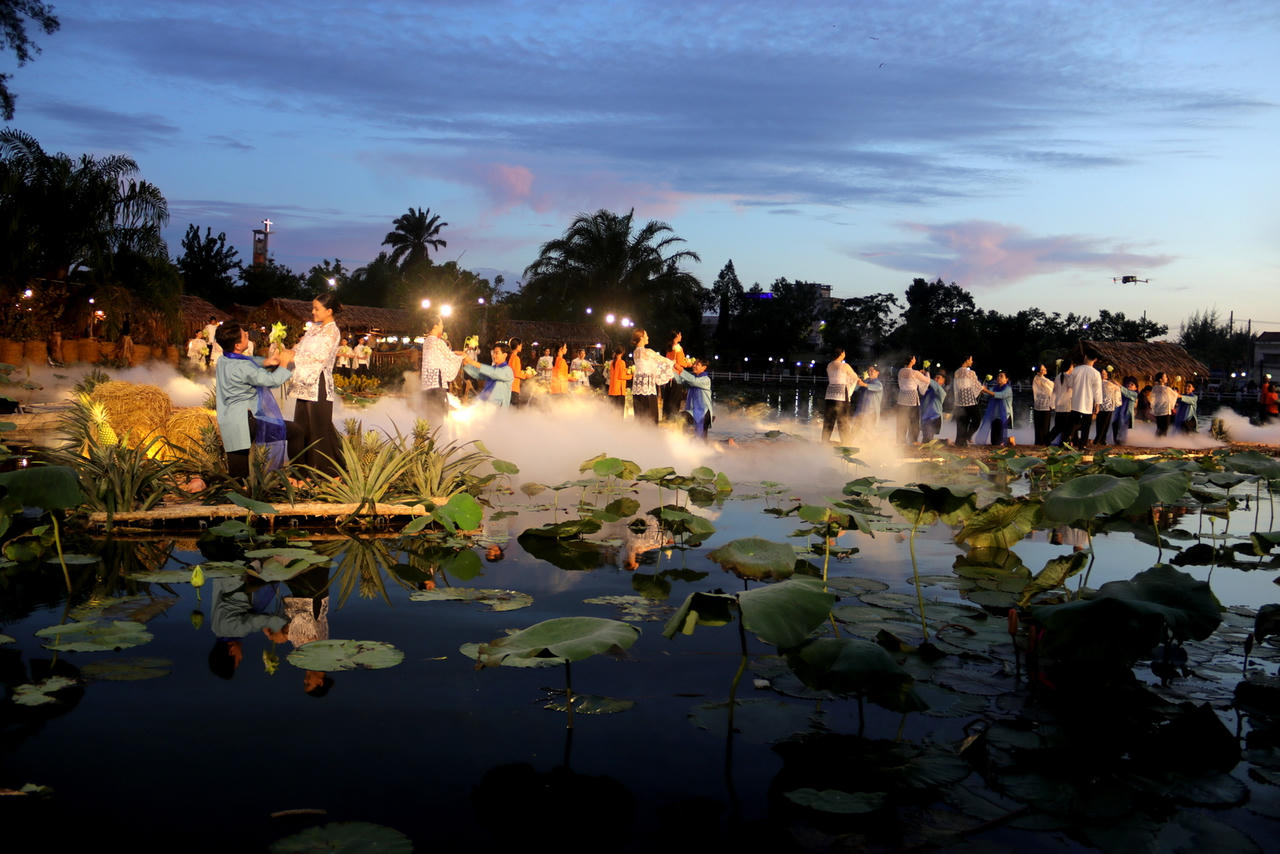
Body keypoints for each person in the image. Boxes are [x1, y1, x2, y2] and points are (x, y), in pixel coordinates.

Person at [214, 321, 294, 479]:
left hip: (229, 420)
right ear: (238, 345)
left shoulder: (223, 360)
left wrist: (266, 361)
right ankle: (299, 477)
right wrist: (284, 362)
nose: (247, 335)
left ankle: (206, 482)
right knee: (296, 432)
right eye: (244, 335)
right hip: (246, 421)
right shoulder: (243, 367)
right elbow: (272, 381)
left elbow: (247, 362)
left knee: (238, 477)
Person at [287, 293, 343, 476]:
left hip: (318, 383)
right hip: (304, 382)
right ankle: (301, 470)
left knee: (317, 428)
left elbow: (319, 358)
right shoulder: (313, 329)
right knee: (301, 425)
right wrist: (287, 353)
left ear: (329, 311)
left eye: (317, 309)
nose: (313, 312)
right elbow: (299, 348)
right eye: (313, 308)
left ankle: (322, 473)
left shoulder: (332, 331)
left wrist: (293, 358)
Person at [420, 313, 464, 426]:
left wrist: (453, 354)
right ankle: (438, 439)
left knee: (429, 414)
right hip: (436, 383)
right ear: (435, 326)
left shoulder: (427, 341)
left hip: (427, 384)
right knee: (439, 414)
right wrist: (463, 356)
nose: (442, 327)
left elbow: (441, 355)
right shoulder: (438, 342)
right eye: (441, 324)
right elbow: (449, 357)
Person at [630, 328, 673, 424]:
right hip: (647, 389)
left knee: (640, 418)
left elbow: (649, 366)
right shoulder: (647, 352)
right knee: (651, 418)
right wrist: (674, 363)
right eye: (646, 335)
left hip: (637, 389)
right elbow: (664, 361)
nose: (648, 337)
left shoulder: (635, 352)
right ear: (641, 337)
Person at [462, 341, 515, 407]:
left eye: (496, 353)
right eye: (493, 353)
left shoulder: (507, 370)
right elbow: (478, 374)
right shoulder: (493, 369)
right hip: (485, 406)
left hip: (497, 409)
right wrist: (466, 364)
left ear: (505, 355)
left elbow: (493, 372)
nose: (493, 355)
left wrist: (471, 362)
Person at [1068, 350, 1103, 446]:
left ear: (1085, 357)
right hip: (1088, 402)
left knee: (1073, 423)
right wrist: (1098, 404)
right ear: (1095, 360)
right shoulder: (1096, 373)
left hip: (1075, 401)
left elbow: (1069, 385)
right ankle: (1082, 445)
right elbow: (1098, 391)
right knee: (1086, 425)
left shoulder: (1076, 370)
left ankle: (1070, 441)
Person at [822, 349, 857, 443]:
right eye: (844, 352)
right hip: (840, 394)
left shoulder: (829, 365)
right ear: (841, 354)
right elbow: (854, 378)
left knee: (829, 419)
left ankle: (824, 441)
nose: (845, 354)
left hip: (830, 394)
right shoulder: (845, 366)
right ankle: (846, 442)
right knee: (842, 420)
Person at [673, 358, 713, 439]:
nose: (694, 366)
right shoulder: (693, 378)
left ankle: (683, 440)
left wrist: (681, 370)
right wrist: (674, 371)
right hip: (694, 411)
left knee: (681, 417)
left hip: (703, 412)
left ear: (704, 367)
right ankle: (728, 442)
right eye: (694, 364)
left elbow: (693, 381)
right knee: (702, 442)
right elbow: (680, 381)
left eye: (697, 365)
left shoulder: (706, 379)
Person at [896, 356, 930, 443]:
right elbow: (927, 381)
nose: (915, 360)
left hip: (902, 399)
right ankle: (913, 440)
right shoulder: (914, 373)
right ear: (911, 361)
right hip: (912, 400)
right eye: (914, 358)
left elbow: (908, 378)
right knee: (914, 421)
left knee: (901, 421)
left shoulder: (900, 371)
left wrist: (919, 373)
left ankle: (900, 441)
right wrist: (927, 373)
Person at [951, 356, 982, 447]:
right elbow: (977, 386)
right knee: (977, 419)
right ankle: (967, 436)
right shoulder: (970, 372)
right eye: (971, 359)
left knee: (962, 422)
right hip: (969, 400)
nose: (972, 361)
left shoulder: (956, 372)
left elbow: (956, 388)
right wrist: (983, 388)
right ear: (967, 360)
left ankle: (960, 442)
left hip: (959, 400)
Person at [662, 331, 690, 422]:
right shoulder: (678, 348)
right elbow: (681, 362)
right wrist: (688, 363)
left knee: (668, 398)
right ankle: (672, 419)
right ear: (676, 336)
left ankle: (666, 417)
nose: (681, 336)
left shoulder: (669, 348)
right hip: (676, 376)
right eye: (680, 334)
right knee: (675, 399)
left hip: (669, 376)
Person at [1046, 360, 1075, 446]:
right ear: (1069, 367)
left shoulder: (1058, 376)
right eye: (1073, 366)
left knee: (1058, 427)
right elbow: (1073, 387)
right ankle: (1063, 443)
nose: (1073, 368)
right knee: (1067, 427)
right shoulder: (1068, 377)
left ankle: (1048, 440)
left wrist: (1052, 404)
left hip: (1059, 406)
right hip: (1067, 406)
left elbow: (1054, 392)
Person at [980, 371, 1013, 446]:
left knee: (998, 443)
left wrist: (986, 390)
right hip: (994, 416)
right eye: (998, 376)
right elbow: (986, 394)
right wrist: (982, 391)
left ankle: (1008, 439)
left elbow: (1000, 395)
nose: (999, 378)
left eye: (1001, 376)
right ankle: (1009, 439)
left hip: (1003, 417)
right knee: (994, 442)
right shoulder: (994, 388)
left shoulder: (1008, 389)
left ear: (1006, 379)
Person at [852, 365, 883, 432]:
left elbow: (878, 387)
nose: (870, 372)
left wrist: (863, 384)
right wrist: (857, 382)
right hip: (861, 410)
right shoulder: (865, 381)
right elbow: (855, 389)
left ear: (877, 372)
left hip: (872, 411)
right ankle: (848, 440)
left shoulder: (878, 383)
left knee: (869, 431)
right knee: (855, 428)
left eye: (872, 370)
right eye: (869, 370)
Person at [920, 369, 948, 443]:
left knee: (927, 441)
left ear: (943, 381)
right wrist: (923, 375)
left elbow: (932, 383)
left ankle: (944, 442)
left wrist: (926, 376)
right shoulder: (929, 391)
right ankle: (944, 441)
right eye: (935, 377)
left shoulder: (941, 391)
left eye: (938, 378)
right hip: (926, 419)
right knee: (927, 441)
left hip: (934, 418)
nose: (935, 379)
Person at [1031, 364, 1054, 445]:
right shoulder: (1039, 379)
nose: (1045, 369)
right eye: (1043, 368)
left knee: (1041, 427)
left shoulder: (1041, 380)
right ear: (1040, 371)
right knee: (1043, 426)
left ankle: (1040, 442)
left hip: (1042, 406)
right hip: (1043, 406)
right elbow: (1051, 390)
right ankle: (1042, 442)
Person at [1096, 369, 1120, 444]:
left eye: (1105, 374)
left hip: (1108, 406)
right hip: (1099, 405)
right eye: (1102, 374)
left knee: (1105, 424)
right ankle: (1098, 439)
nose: (1103, 375)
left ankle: (1102, 440)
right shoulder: (1097, 383)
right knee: (1100, 423)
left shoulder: (1110, 383)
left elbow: (1118, 389)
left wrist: (1116, 403)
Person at [1150, 372, 1178, 437]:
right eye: (1165, 377)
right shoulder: (1166, 389)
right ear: (1160, 379)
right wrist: (1176, 393)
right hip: (1165, 410)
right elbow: (1174, 395)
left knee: (1159, 427)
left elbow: (1153, 399)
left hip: (1158, 411)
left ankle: (1156, 441)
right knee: (1165, 428)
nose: (1166, 378)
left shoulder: (1154, 388)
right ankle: (1162, 443)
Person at [1113, 376, 1139, 444]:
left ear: (1136, 388)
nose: (1129, 385)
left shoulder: (1134, 394)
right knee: (1115, 426)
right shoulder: (1121, 393)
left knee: (1123, 428)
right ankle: (1115, 441)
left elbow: (1126, 393)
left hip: (1127, 415)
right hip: (1118, 414)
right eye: (1128, 383)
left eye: (1132, 384)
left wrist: (1118, 385)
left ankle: (1122, 441)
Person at [607, 346, 630, 414]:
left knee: (613, 410)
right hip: (619, 390)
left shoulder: (612, 363)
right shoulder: (621, 362)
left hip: (612, 389)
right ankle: (619, 424)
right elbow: (622, 376)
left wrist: (626, 370)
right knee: (620, 410)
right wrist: (631, 376)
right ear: (622, 353)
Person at [507, 337, 526, 407]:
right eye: (521, 345)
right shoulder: (515, 358)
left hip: (510, 386)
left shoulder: (510, 357)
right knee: (514, 411)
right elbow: (516, 373)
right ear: (517, 345)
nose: (521, 347)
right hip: (513, 387)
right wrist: (526, 375)